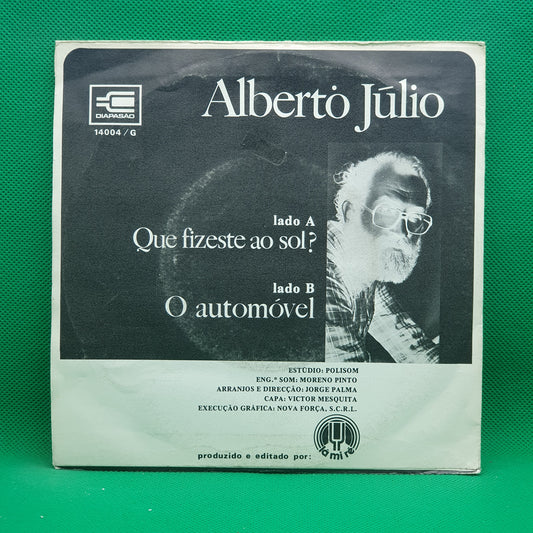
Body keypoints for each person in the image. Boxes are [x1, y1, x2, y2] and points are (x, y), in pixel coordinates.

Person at [325, 151, 439, 363]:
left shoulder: (364, 262)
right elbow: (348, 376)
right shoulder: (323, 274)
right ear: (350, 212)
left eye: (415, 217)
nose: (402, 232)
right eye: (386, 210)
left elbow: (411, 344)